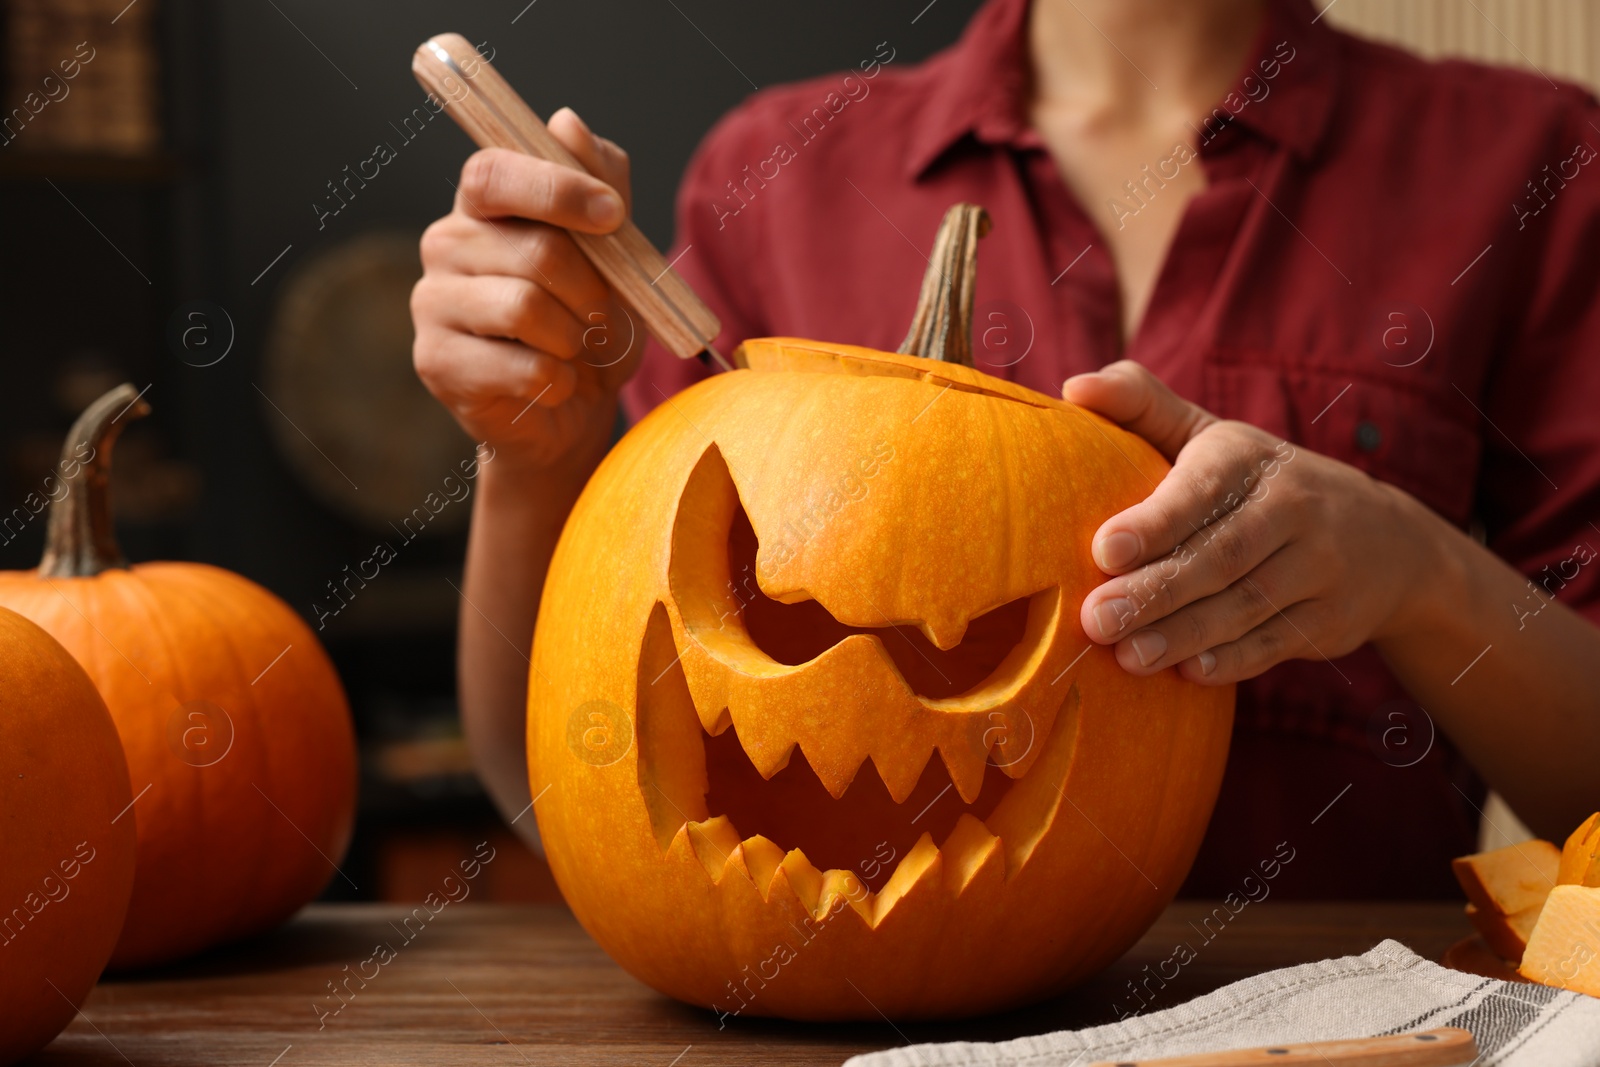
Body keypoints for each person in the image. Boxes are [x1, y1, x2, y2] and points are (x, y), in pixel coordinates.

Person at [410, 0, 1600, 898]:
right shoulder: (779, 177)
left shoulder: (1532, 163)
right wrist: (533, 447)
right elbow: (558, 783)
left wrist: (1414, 568)